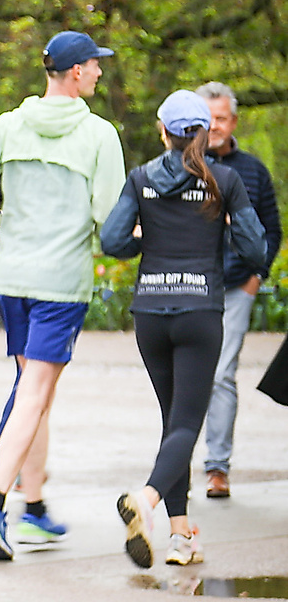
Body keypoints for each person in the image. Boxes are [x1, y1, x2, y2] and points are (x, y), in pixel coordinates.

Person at [0, 30, 125, 560]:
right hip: (59, 283)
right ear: (75, 72)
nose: (99, 72)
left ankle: (35, 509)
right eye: (95, 65)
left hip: (12, 278)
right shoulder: (99, 135)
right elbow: (108, 215)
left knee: (37, 393)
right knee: (35, 393)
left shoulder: (8, 124)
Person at [101, 89, 265, 568]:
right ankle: (147, 500)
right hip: (200, 313)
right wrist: (230, 226)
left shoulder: (141, 178)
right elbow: (255, 252)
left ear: (163, 131)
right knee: (187, 424)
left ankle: (181, 536)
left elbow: (113, 241)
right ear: (205, 132)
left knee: (174, 422)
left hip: (150, 313)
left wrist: (146, 238)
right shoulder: (225, 180)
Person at [195, 81, 281, 499]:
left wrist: (255, 278)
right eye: (208, 118)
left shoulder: (253, 170)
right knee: (188, 377)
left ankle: (217, 467)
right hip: (189, 286)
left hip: (234, 288)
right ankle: (174, 464)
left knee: (222, 375)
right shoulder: (181, 164)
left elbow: (272, 230)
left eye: (222, 118)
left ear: (234, 121)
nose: (215, 126)